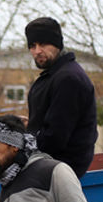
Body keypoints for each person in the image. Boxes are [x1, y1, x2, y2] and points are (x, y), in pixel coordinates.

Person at [24, 17, 97, 177]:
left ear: (57, 44)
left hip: (59, 169)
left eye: (43, 44)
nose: (37, 51)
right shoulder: (54, 76)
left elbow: (55, 138)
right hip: (47, 162)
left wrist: (21, 146)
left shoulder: (68, 79)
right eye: (32, 46)